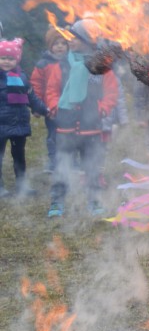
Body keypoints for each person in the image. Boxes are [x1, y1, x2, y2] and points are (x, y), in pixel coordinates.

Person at [44, 20, 119, 218]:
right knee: (62, 165)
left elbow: (111, 92)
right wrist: (54, 107)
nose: (71, 41)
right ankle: (57, 202)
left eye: (75, 37)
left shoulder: (101, 66)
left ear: (88, 40)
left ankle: (94, 201)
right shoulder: (61, 65)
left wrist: (101, 109)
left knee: (92, 167)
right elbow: (51, 89)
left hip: (91, 128)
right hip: (65, 127)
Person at [0, 38, 48, 198]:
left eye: (10, 58)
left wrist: (44, 110)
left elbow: (31, 98)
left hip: (19, 124)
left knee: (19, 157)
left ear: (17, 59)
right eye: (3, 58)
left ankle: (22, 186)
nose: (6, 61)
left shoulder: (22, 77)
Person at [30, 27, 68, 173]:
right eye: (56, 43)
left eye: (63, 43)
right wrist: (37, 107)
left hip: (69, 107)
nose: (60, 46)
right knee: (53, 134)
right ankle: (53, 161)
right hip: (49, 107)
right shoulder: (43, 64)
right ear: (50, 46)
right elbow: (36, 86)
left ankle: (71, 161)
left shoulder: (71, 62)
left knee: (71, 134)